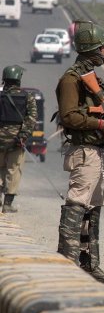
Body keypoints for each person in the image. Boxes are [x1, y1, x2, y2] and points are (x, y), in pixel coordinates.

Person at [55, 20, 104, 285]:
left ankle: (89, 263)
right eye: (102, 48)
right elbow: (68, 116)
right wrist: (100, 124)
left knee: (93, 207)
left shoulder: (92, 79)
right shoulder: (71, 80)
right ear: (91, 49)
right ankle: (66, 263)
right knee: (77, 204)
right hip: (84, 152)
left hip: (97, 151)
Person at [0, 65, 37, 213]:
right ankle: (7, 204)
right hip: (17, 141)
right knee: (13, 170)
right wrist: (22, 136)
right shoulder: (28, 97)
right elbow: (31, 119)